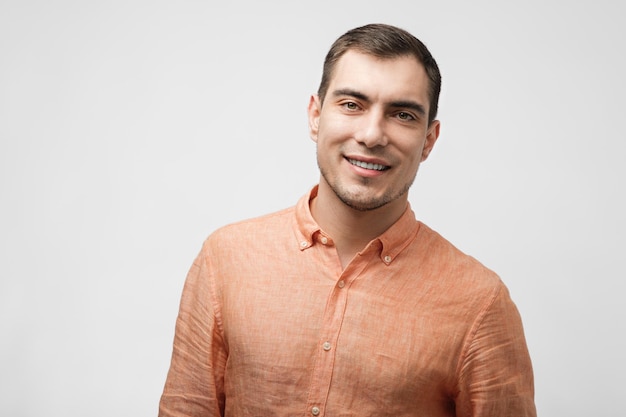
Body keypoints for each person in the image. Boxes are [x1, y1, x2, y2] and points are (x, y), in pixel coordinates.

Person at [159, 23, 536, 417]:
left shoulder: (480, 302)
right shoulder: (227, 259)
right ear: (315, 115)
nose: (372, 135)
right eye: (352, 105)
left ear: (428, 140)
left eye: (403, 114)